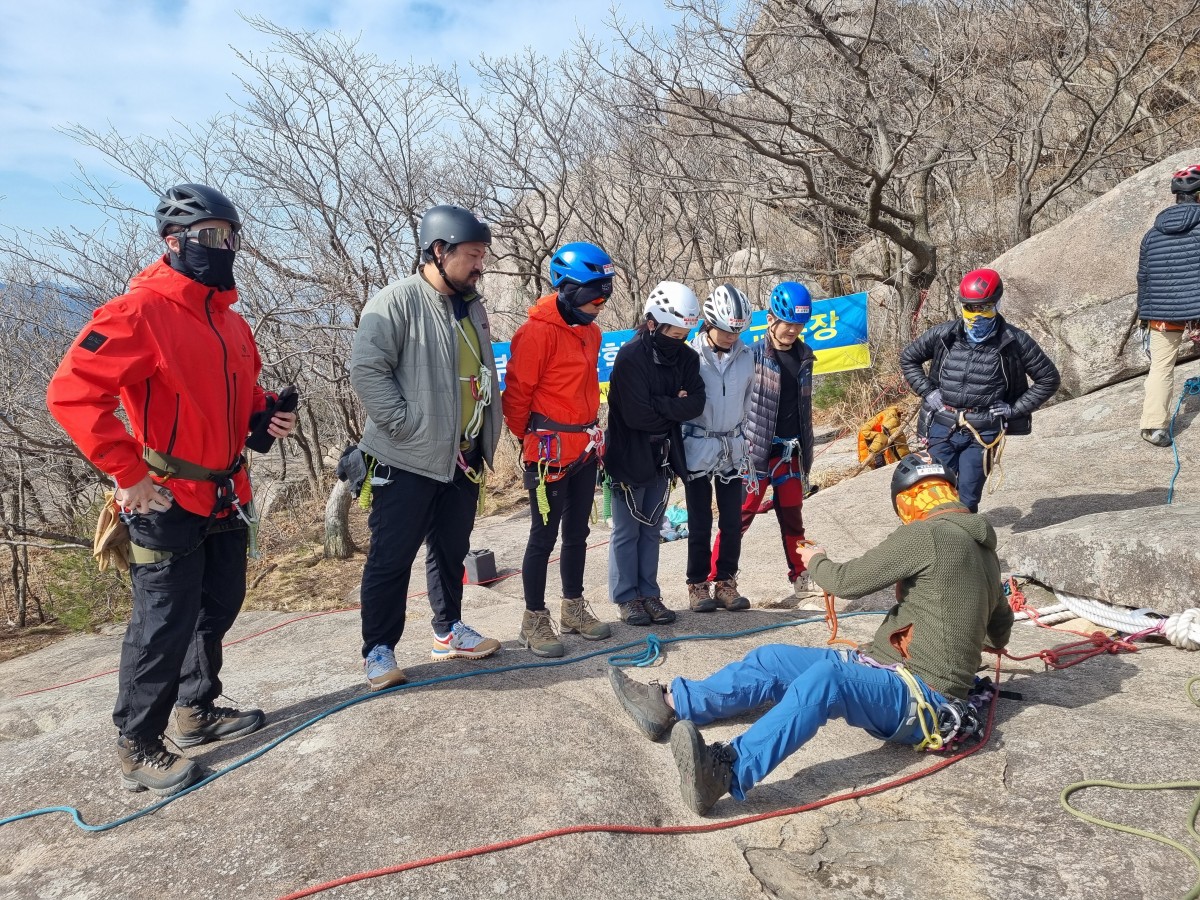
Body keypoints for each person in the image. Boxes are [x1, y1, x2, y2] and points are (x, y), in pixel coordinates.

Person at [46, 183, 297, 797]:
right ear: (175, 241)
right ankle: (138, 743)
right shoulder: (137, 312)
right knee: (162, 622)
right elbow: (71, 394)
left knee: (219, 604)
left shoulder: (231, 322)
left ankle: (196, 708)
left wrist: (265, 412)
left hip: (227, 489)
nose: (222, 247)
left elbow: (236, 394)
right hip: (165, 494)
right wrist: (127, 472)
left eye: (230, 236)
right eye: (209, 236)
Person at [608, 453, 1014, 815]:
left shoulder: (925, 535)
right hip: (889, 671)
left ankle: (728, 770)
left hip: (922, 699)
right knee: (772, 658)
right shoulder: (986, 553)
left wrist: (815, 559)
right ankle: (672, 703)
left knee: (827, 680)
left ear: (908, 501)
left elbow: (847, 582)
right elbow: (999, 634)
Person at [350, 204, 502, 690]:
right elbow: (366, 370)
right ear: (439, 250)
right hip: (405, 456)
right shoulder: (395, 301)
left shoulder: (472, 306)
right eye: (472, 255)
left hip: (462, 456)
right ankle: (379, 649)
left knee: (451, 551)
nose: (480, 265)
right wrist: (405, 425)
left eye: (482, 255)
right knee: (391, 558)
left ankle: (448, 630)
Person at [501, 241, 614, 657]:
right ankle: (533, 620)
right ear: (566, 289)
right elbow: (516, 396)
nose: (599, 306)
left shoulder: (592, 332)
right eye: (592, 297)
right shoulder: (535, 333)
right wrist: (530, 440)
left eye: (604, 298)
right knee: (543, 535)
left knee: (578, 532)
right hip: (547, 451)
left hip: (583, 447)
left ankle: (573, 607)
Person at [901, 268, 1060, 513]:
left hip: (983, 431)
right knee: (936, 489)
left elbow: (1048, 379)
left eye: (984, 308)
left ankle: (966, 534)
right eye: (970, 308)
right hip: (942, 424)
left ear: (997, 304)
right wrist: (928, 391)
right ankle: (938, 533)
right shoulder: (945, 334)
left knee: (968, 496)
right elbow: (909, 358)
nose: (976, 315)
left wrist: (1014, 409)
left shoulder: (1014, 341)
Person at [604, 282, 705, 626]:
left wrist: (662, 404)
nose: (680, 341)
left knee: (651, 529)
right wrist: (673, 404)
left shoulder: (687, 358)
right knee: (626, 531)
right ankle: (626, 597)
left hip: (663, 456)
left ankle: (649, 593)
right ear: (652, 324)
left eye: (684, 335)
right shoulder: (631, 357)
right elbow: (637, 416)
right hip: (628, 455)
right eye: (674, 334)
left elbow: (696, 404)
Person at [710, 281, 817, 600]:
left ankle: (800, 575)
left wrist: (806, 450)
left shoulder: (805, 356)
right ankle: (719, 580)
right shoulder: (751, 355)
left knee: (793, 516)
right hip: (753, 454)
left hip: (791, 452)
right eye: (787, 323)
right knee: (738, 518)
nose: (793, 330)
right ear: (771, 318)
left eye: (799, 324)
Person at [682, 284, 755, 613]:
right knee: (699, 520)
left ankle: (726, 580)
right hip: (698, 444)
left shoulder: (747, 356)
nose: (732, 337)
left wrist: (743, 438)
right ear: (709, 323)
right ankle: (698, 584)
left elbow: (748, 400)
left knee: (732, 519)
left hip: (733, 446)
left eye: (738, 331)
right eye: (726, 330)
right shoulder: (689, 356)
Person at [1136, 164, 1200, 448]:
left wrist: (1144, 312)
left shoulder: (1152, 234)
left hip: (1162, 312)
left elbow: (1143, 277)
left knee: (1161, 366)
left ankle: (1153, 426)